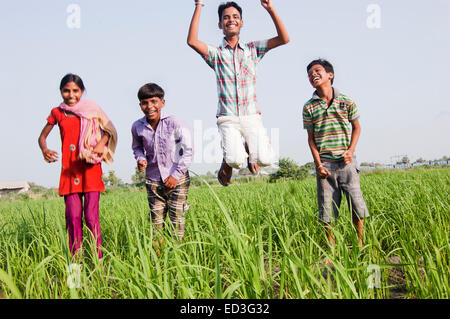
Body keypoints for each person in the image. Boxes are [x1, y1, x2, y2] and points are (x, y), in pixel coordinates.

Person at [187, 0, 289, 186]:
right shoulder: (216, 54)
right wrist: (199, 5)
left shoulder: (252, 50)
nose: (231, 20)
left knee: (265, 159)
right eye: (226, 18)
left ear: (242, 22)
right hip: (228, 117)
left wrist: (270, 9)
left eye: (235, 17)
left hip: (251, 115)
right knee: (235, 160)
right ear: (220, 25)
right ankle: (227, 161)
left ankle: (249, 147)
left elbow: (284, 39)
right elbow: (192, 41)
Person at [38, 73, 117, 261]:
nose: (71, 94)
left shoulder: (92, 109)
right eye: (66, 90)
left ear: (82, 91)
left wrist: (101, 144)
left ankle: (97, 269)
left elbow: (109, 129)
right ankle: (75, 272)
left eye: (75, 90)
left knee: (91, 218)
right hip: (69, 171)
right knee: (73, 220)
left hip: (90, 168)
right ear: (61, 91)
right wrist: (45, 149)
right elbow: (42, 137)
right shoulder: (57, 112)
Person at [302, 59, 369, 253]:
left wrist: (351, 150)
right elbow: (311, 139)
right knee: (327, 210)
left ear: (330, 75)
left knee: (357, 205)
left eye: (317, 70)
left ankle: (360, 245)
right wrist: (318, 165)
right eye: (309, 74)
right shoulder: (309, 107)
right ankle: (331, 252)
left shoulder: (346, 100)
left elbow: (357, 127)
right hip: (325, 166)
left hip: (347, 163)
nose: (312, 75)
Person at [131, 83, 193, 249]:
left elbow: (188, 151)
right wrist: (140, 158)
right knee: (156, 225)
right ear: (140, 105)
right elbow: (137, 147)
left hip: (177, 179)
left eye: (154, 101)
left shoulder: (175, 123)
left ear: (162, 103)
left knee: (177, 222)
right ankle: (157, 264)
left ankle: (178, 259)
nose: (149, 106)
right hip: (153, 181)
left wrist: (176, 175)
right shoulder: (137, 126)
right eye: (145, 103)